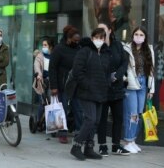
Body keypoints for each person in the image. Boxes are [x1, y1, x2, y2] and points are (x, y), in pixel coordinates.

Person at [70, 28, 110, 160]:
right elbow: (77, 71)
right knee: (90, 119)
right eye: (96, 37)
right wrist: (86, 84)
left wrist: (107, 85)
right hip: (86, 92)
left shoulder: (105, 53)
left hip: (100, 92)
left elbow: (107, 73)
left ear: (104, 39)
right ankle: (76, 146)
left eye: (102, 38)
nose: (99, 40)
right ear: (92, 38)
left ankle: (89, 147)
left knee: (96, 121)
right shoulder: (85, 51)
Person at [96, 22, 130, 156]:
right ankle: (102, 145)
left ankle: (116, 145)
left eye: (103, 29)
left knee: (118, 117)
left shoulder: (117, 45)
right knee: (102, 118)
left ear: (110, 30)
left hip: (117, 87)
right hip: (102, 89)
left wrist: (118, 75)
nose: (101, 32)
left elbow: (124, 62)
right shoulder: (97, 47)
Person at [123, 26, 155, 153]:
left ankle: (133, 140)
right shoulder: (126, 48)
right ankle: (127, 141)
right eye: (136, 34)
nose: (139, 36)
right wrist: (125, 79)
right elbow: (122, 66)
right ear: (132, 35)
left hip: (143, 84)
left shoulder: (149, 50)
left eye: (141, 35)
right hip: (131, 84)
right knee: (132, 114)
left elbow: (151, 71)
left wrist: (151, 89)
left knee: (139, 113)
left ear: (145, 37)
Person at [49, 25, 81, 144]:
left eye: (78, 40)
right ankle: (62, 132)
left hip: (76, 84)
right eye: (75, 40)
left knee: (78, 109)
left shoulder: (79, 49)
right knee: (62, 109)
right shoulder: (59, 49)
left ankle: (79, 131)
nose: (76, 42)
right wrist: (54, 86)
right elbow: (52, 68)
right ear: (68, 38)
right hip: (63, 84)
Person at [33, 37, 54, 124]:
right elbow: (36, 66)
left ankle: (50, 121)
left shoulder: (54, 56)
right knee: (43, 102)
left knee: (51, 102)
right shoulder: (39, 56)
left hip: (52, 82)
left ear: (50, 47)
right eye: (43, 45)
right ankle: (38, 120)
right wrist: (38, 75)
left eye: (45, 45)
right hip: (41, 82)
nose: (43, 47)